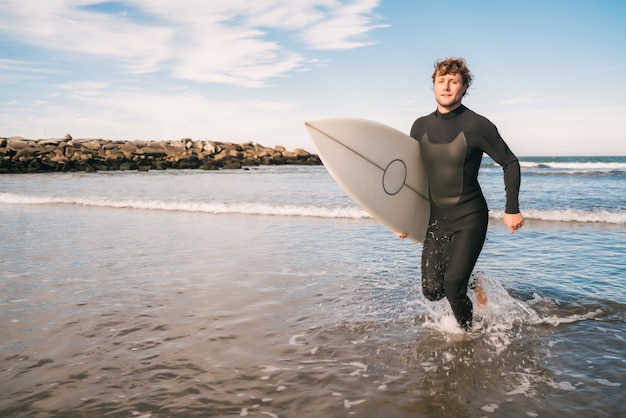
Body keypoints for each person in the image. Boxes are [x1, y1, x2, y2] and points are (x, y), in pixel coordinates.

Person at [394, 57, 524, 331]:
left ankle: (467, 332)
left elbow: (510, 162)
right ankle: (473, 280)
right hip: (437, 219)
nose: (446, 86)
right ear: (433, 86)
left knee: (453, 286)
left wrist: (511, 207)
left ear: (464, 87)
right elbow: (412, 176)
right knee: (432, 290)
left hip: (469, 217)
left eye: (454, 81)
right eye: (441, 81)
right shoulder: (419, 127)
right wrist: (401, 217)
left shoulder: (477, 125)